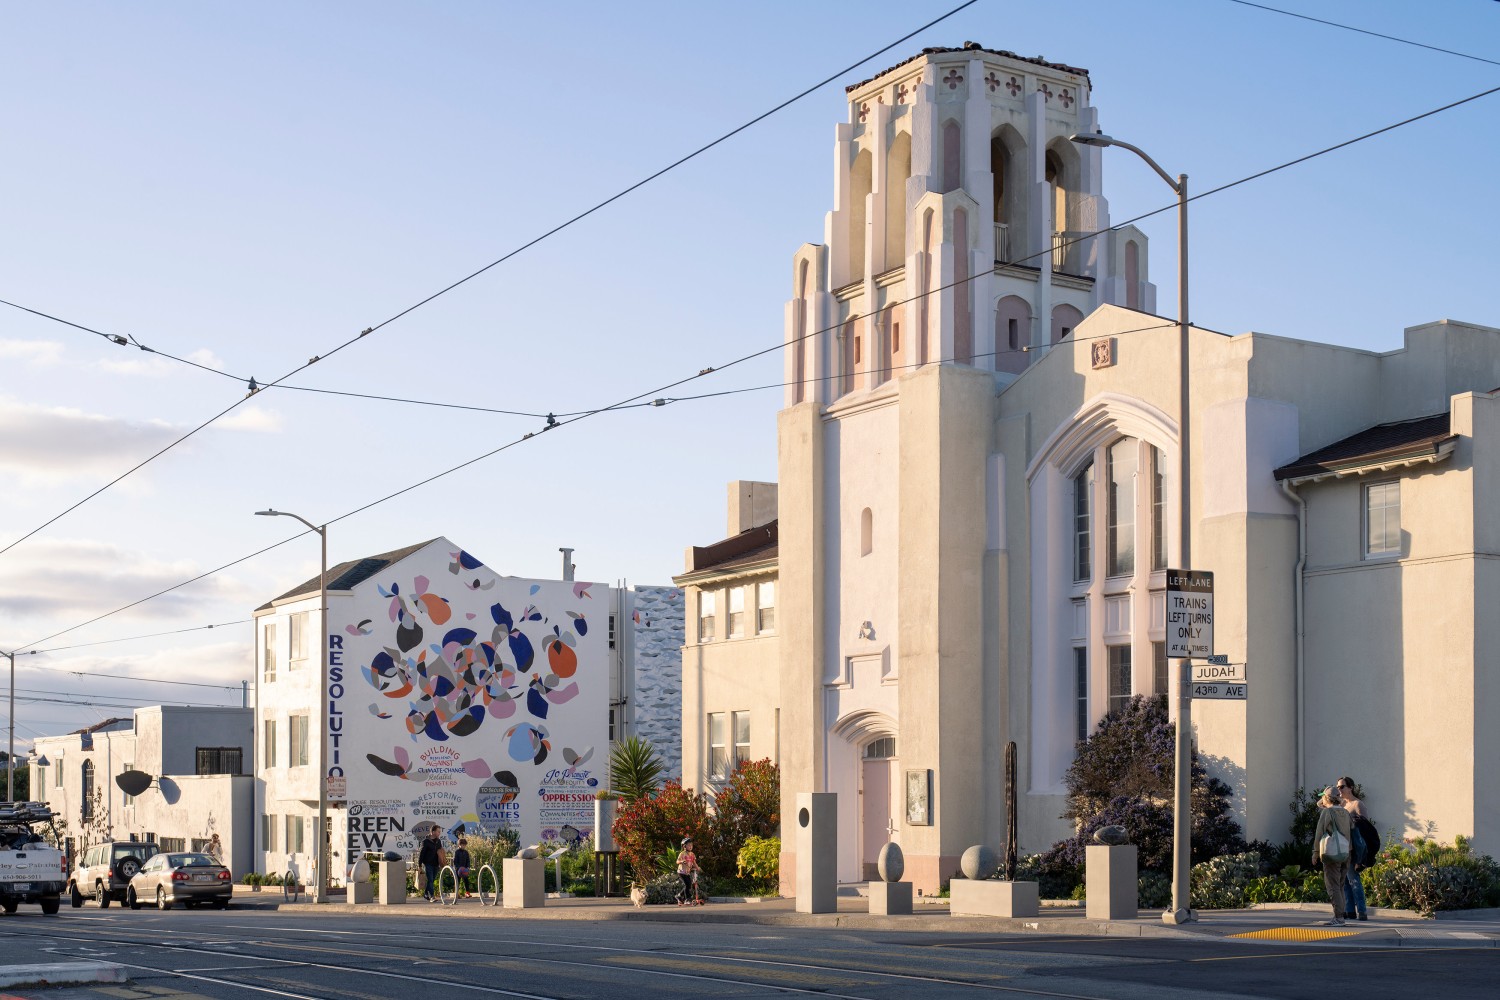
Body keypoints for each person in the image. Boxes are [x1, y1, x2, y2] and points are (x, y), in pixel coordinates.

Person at [1312, 785, 1353, 926]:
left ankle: (1338, 917)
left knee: (1332, 885)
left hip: (1331, 853)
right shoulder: (1345, 812)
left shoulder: (1327, 813)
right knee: (1340, 885)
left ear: (1326, 798)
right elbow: (1351, 830)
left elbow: (1319, 833)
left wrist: (1315, 853)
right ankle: (1340, 915)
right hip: (1346, 852)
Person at [1337, 776, 1370, 921]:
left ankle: (1362, 911)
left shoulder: (1358, 804)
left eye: (1342, 786)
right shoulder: (1343, 804)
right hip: (1343, 847)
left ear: (1350, 787)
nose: (1339, 789)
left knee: (1353, 879)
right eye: (1338, 787)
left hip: (1354, 848)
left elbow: (1366, 828)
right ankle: (1350, 911)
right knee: (1344, 880)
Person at [418, 826, 444, 902]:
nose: (439, 833)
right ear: (433, 832)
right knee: (430, 879)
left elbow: (440, 852)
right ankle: (432, 896)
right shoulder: (425, 841)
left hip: (436, 864)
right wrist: (419, 865)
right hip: (428, 863)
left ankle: (426, 893)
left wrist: (442, 862)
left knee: (431, 881)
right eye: (438, 831)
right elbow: (421, 854)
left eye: (440, 831)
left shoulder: (438, 841)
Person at [675, 837, 701, 906]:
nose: (690, 846)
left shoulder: (692, 854)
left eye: (691, 845)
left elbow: (694, 862)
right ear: (684, 846)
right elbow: (677, 861)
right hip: (681, 872)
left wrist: (698, 868)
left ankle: (679, 896)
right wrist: (681, 861)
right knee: (687, 885)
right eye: (689, 845)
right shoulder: (682, 853)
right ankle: (687, 899)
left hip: (687, 872)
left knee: (689, 885)